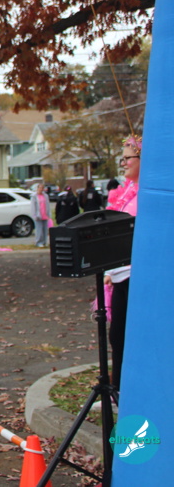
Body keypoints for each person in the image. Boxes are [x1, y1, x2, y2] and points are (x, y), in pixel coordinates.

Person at [105, 134, 141, 392]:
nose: (123, 163)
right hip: (120, 274)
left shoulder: (149, 194)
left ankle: (131, 391)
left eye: (128, 158)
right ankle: (117, 391)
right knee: (117, 336)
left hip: (138, 276)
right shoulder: (126, 192)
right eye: (122, 158)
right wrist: (109, 269)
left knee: (134, 336)